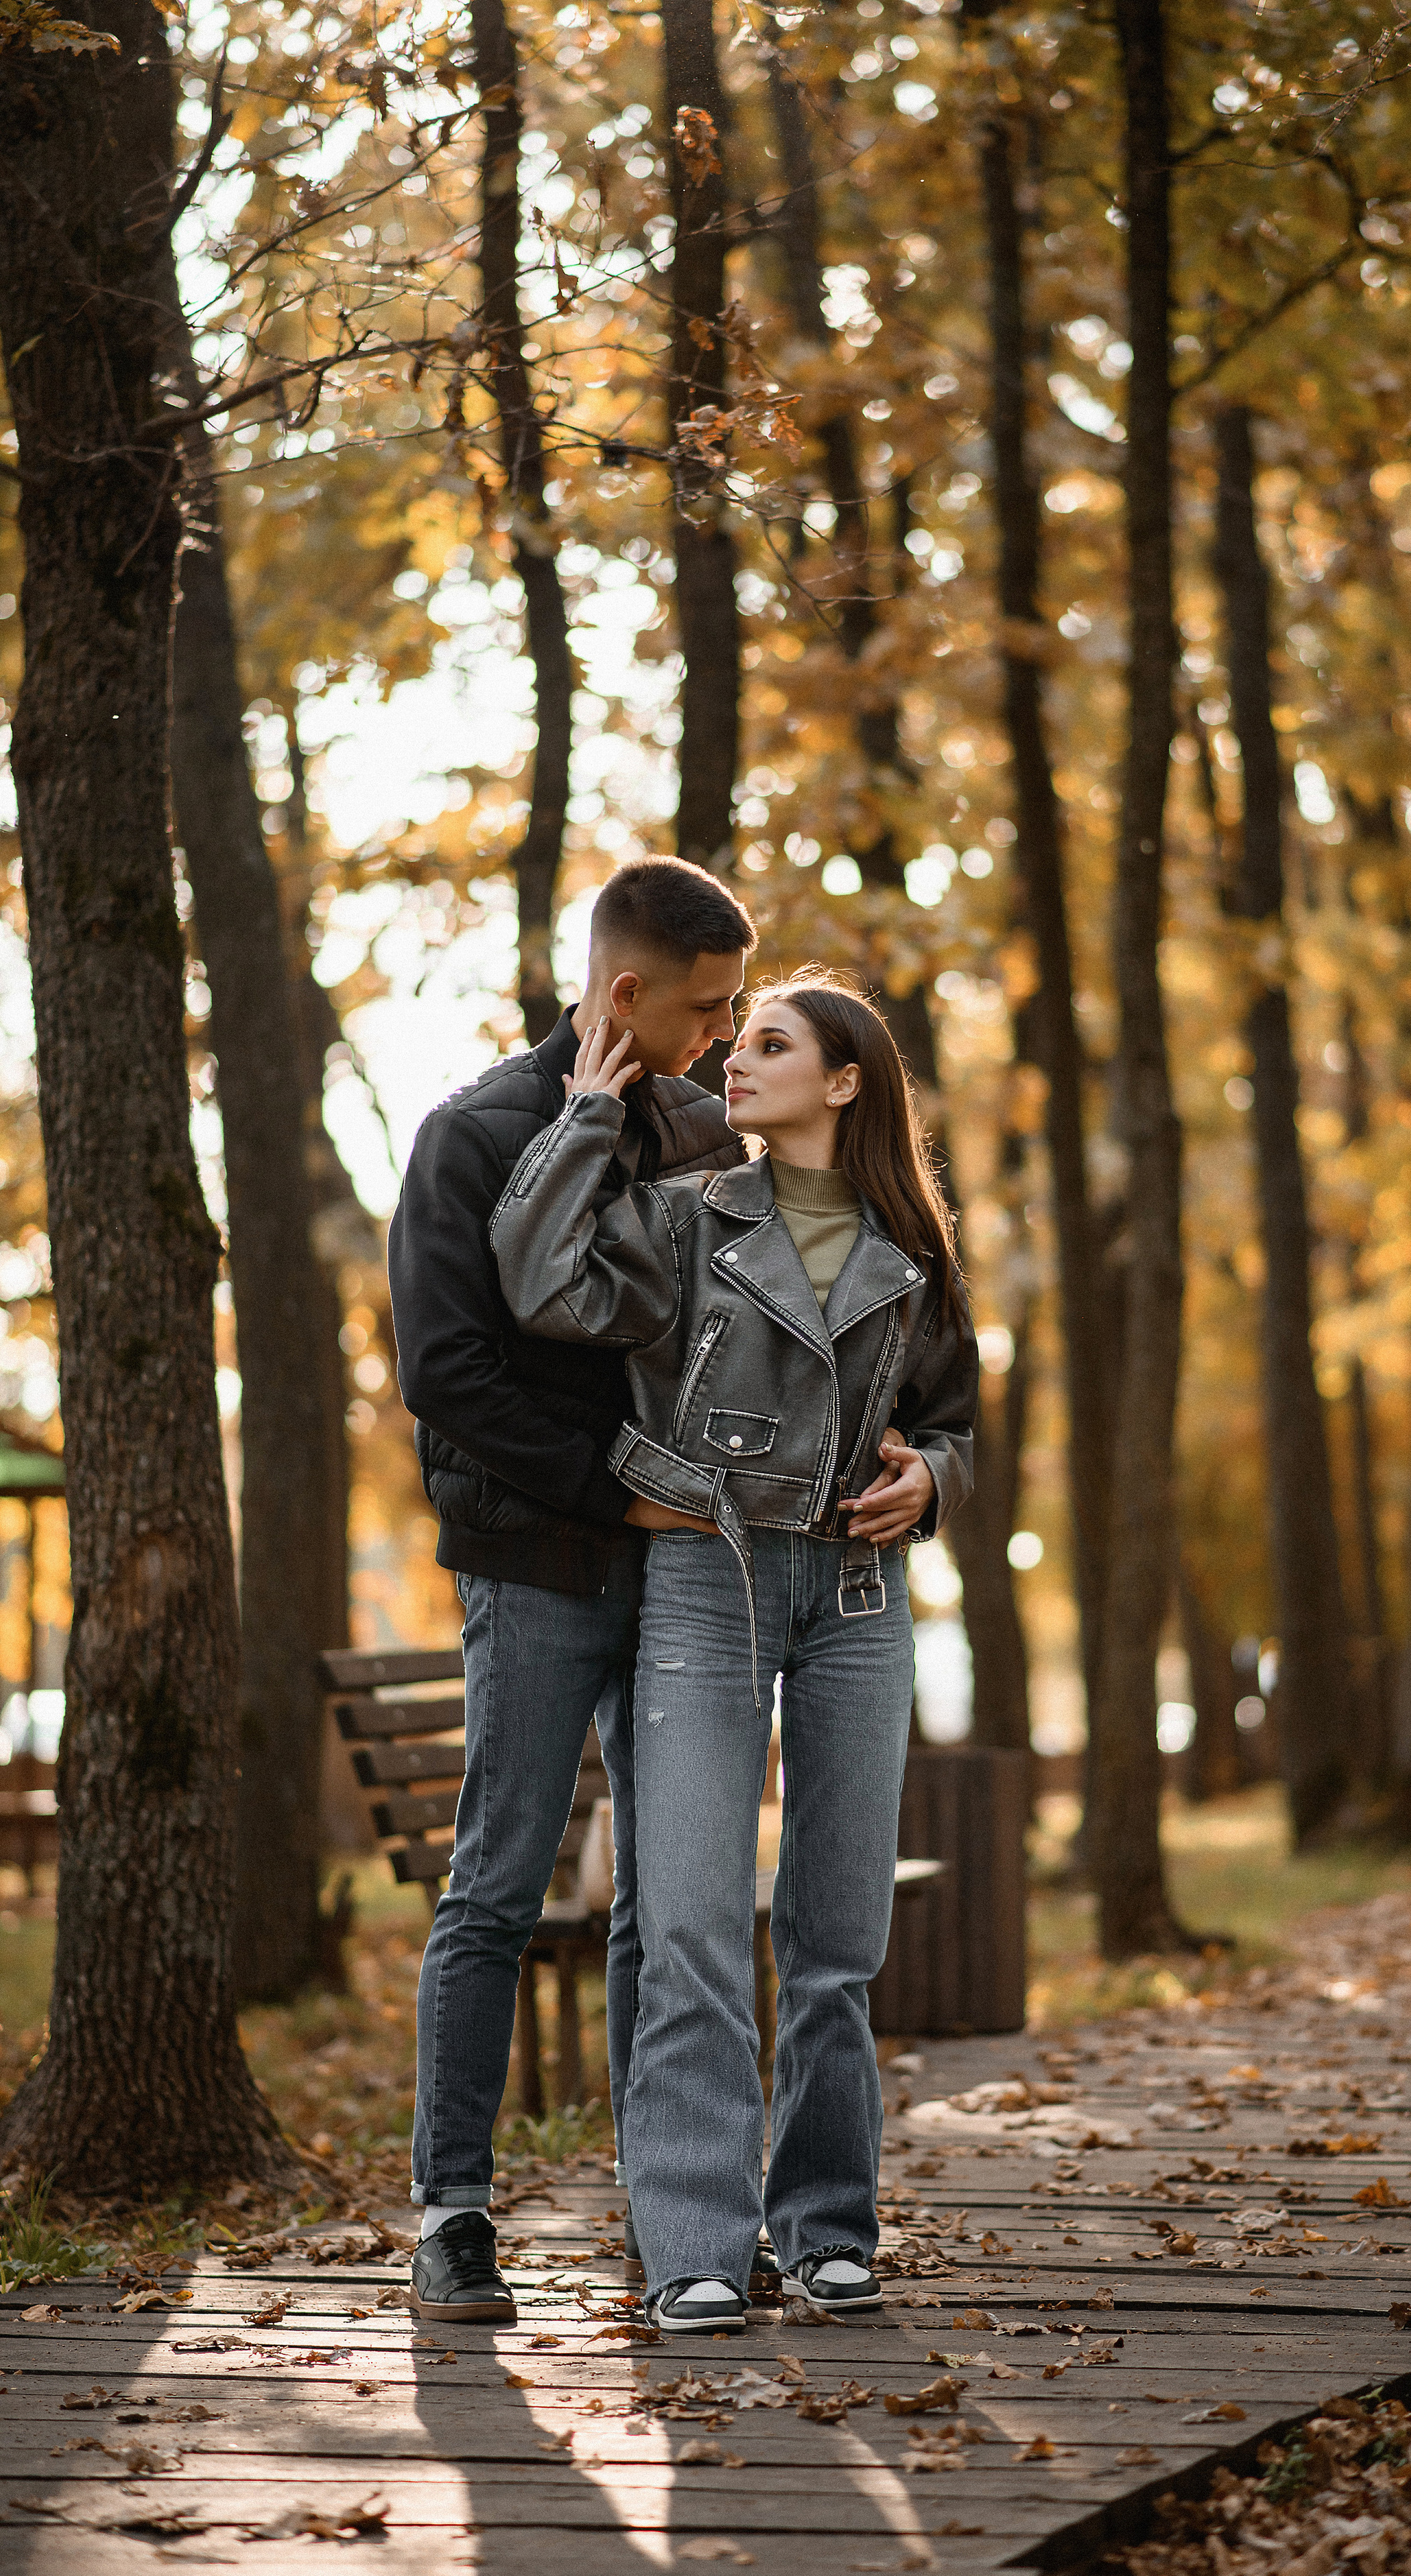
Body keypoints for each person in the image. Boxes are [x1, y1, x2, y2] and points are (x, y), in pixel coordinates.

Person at [492, 970, 980, 2336]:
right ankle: (694, 2246)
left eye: (770, 1045)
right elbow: (536, 1278)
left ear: (843, 1084)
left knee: (834, 1941)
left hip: (861, 1601)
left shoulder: (918, 1250)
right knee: (694, 1929)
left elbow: (955, 1423)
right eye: (737, 1039)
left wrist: (933, 1485)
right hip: (703, 1581)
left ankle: (827, 2229)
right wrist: (587, 1114)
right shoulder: (681, 1217)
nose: (735, 1060)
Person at [390, 856, 755, 2326]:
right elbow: (444, 1374)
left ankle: (661, 2201)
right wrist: (616, 1488)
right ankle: (451, 2214)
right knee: (494, 1883)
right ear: (624, 993)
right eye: (705, 1007)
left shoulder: (705, 1131)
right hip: (540, 1566)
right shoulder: (472, 1135)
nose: (723, 1034)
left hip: (677, 1575)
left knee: (659, 1903)